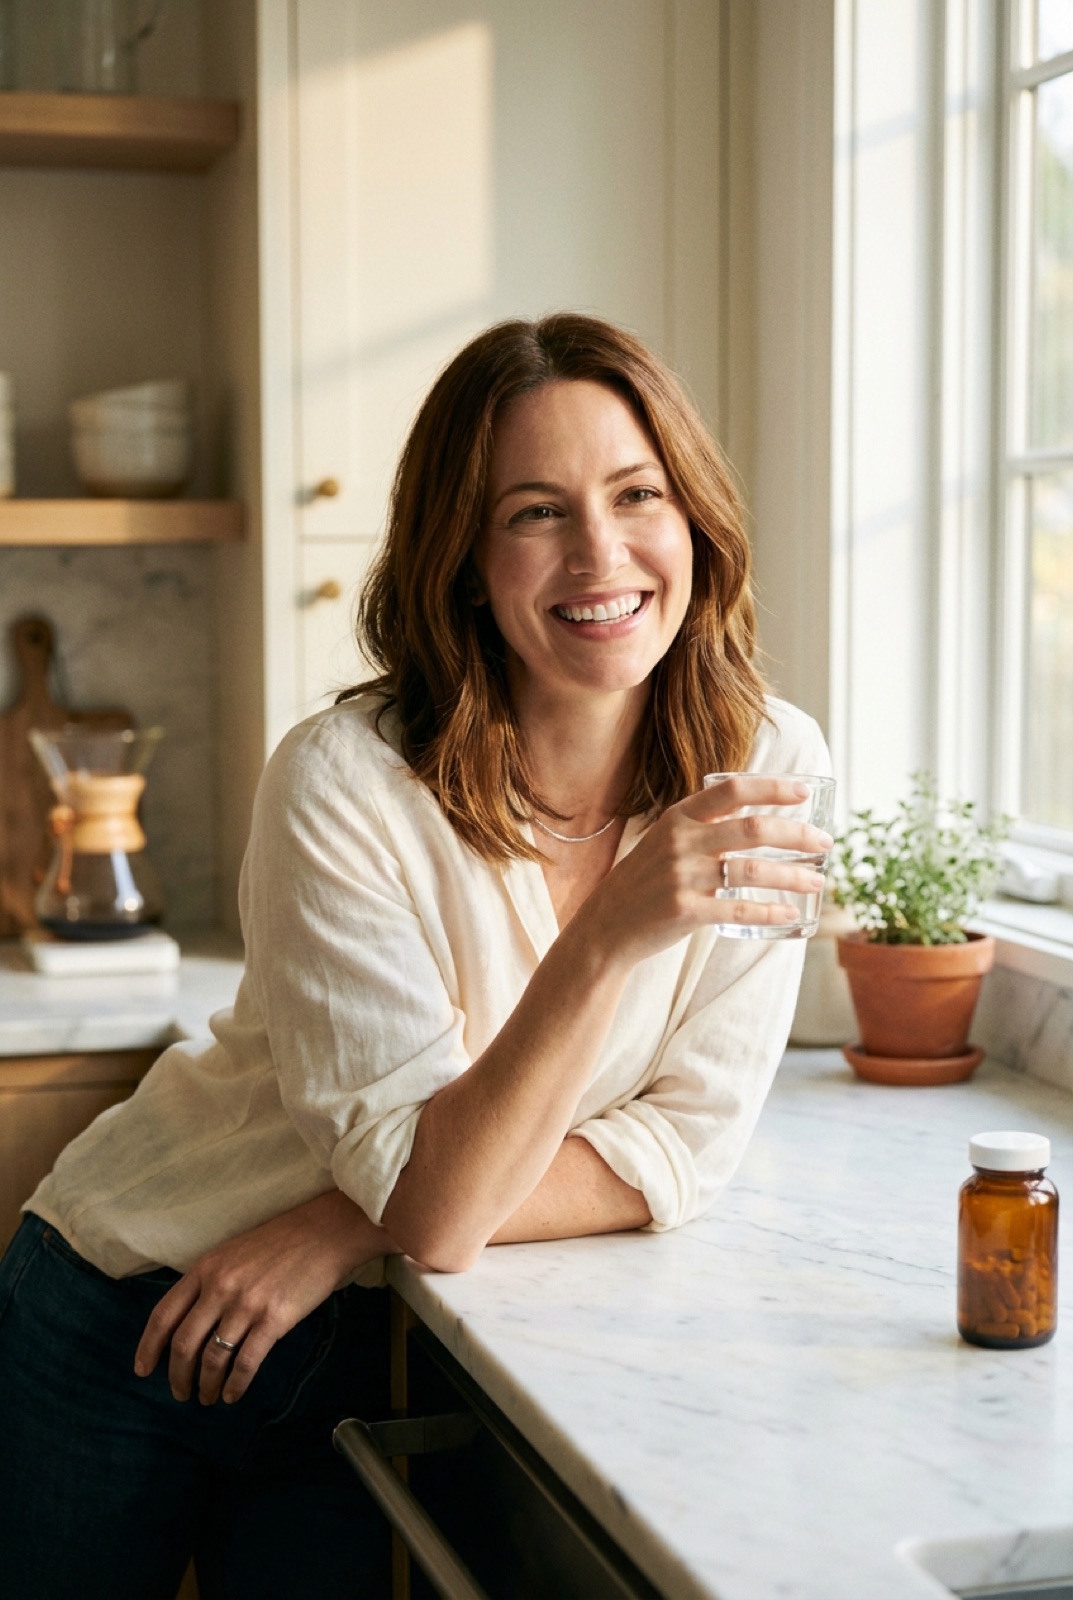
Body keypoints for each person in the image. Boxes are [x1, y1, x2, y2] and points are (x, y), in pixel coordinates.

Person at [0, 313, 832, 1599]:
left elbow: (682, 1144)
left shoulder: (766, 770)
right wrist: (611, 930)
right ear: (464, 559)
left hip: (379, 1346)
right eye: (534, 513)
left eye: (636, 494)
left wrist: (340, 1223)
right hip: (135, 1309)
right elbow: (442, 1208)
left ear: (696, 520)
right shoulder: (342, 783)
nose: (599, 554)